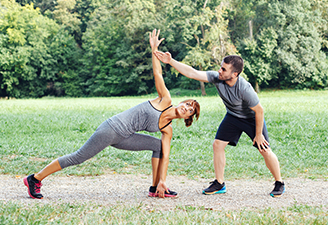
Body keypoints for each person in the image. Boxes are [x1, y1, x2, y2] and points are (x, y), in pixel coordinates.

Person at [23, 29, 200, 199]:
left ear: (187, 118)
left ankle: (155, 187)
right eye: (186, 104)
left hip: (125, 137)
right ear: (180, 103)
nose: (186, 108)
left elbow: (166, 156)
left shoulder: (167, 130)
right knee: (78, 157)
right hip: (112, 129)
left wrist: (163, 181)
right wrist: (154, 50)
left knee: (159, 146)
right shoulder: (165, 100)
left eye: (190, 110)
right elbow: (157, 73)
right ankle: (35, 178)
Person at [154, 49, 285, 198]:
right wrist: (170, 61)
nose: (219, 71)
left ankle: (279, 183)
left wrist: (259, 134)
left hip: (251, 118)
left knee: (264, 149)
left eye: (224, 69)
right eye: (221, 67)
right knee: (217, 145)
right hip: (233, 117)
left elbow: (259, 111)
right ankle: (219, 183)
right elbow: (192, 73)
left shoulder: (245, 88)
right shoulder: (217, 78)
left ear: (234, 74)